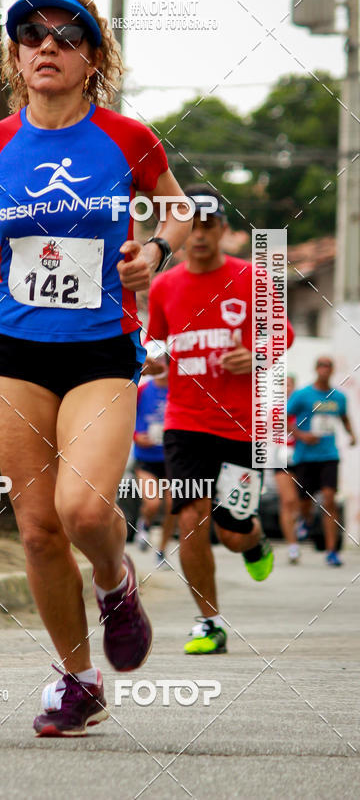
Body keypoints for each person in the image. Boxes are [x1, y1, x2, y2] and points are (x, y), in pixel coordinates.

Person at [0, 0, 192, 736]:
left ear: (92, 59)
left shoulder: (127, 137)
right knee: (40, 529)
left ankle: (115, 582)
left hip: (102, 349)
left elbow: (178, 208)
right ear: (15, 57)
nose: (47, 46)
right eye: (31, 36)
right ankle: (78, 680)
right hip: (17, 351)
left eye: (67, 36)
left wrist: (155, 250)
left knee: (82, 509)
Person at [146, 183, 294, 655]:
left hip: (241, 426)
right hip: (185, 422)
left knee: (231, 532)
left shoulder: (252, 278)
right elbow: (155, 345)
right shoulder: (163, 286)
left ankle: (254, 540)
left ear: (224, 230)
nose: (200, 235)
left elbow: (284, 335)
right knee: (190, 516)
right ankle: (208, 623)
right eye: (192, 226)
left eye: (209, 226)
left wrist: (257, 354)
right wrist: (152, 362)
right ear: (180, 231)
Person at [288, 357, 356, 566]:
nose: (325, 369)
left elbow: (344, 417)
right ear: (316, 369)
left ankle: (332, 551)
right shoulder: (302, 395)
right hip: (305, 457)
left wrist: (352, 434)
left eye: (328, 366)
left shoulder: (339, 397)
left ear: (332, 370)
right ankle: (305, 519)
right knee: (305, 502)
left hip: (329, 456)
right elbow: (283, 419)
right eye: (321, 366)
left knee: (329, 500)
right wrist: (301, 435)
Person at [132, 345, 175, 566]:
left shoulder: (177, 392)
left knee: (172, 506)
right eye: (159, 361)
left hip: (171, 458)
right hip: (146, 458)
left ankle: (162, 550)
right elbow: (125, 414)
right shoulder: (142, 390)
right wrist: (135, 436)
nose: (162, 366)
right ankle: (145, 524)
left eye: (166, 362)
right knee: (152, 503)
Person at [275, 375, 303, 564]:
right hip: (280, 458)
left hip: (302, 457)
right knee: (288, 500)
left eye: (289, 385)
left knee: (300, 502)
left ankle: (300, 524)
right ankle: (292, 546)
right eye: (282, 385)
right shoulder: (272, 408)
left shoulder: (302, 407)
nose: (286, 388)